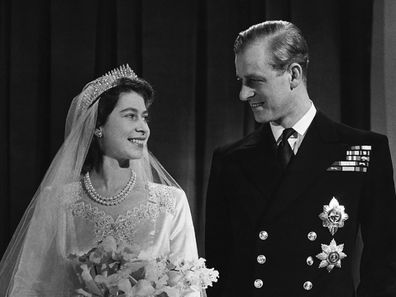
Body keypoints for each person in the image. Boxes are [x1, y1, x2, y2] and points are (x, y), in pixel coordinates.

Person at [205, 20, 396, 297]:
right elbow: (218, 271)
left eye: (254, 81)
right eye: (241, 81)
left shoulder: (362, 150)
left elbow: (385, 263)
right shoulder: (230, 160)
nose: (243, 94)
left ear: (293, 75)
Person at [0, 65, 200, 296]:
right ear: (98, 126)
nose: (143, 128)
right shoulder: (56, 201)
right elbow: (27, 284)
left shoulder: (171, 203)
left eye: (144, 117)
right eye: (130, 116)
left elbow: (189, 288)